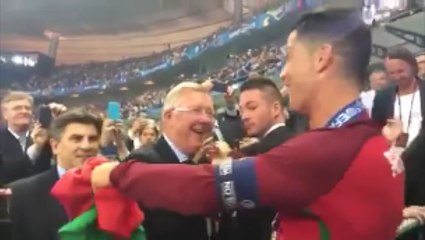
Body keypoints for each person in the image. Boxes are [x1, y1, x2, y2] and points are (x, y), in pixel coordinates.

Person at [91, 9, 404, 240]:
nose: (283, 73)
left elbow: (205, 189)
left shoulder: (326, 149)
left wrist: (116, 172)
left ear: (321, 59)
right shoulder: (372, 137)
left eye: (290, 57)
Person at [121, 82, 213, 240]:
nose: (206, 119)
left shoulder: (199, 163)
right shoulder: (144, 163)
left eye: (210, 113)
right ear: (169, 116)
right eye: (196, 110)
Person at [219, 77, 302, 240]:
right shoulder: (298, 140)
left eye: (252, 107)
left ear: (276, 108)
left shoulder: (263, 154)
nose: (244, 116)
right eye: (241, 110)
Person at [8, 109, 103, 240]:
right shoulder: (23, 193)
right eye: (77, 138)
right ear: (55, 145)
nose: (86, 146)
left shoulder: (115, 187)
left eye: (92, 139)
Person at [372, 47, 425, 147]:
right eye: (392, 73)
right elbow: (376, 128)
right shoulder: (382, 97)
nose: (397, 77)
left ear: (413, 67)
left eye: (401, 71)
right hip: (395, 155)